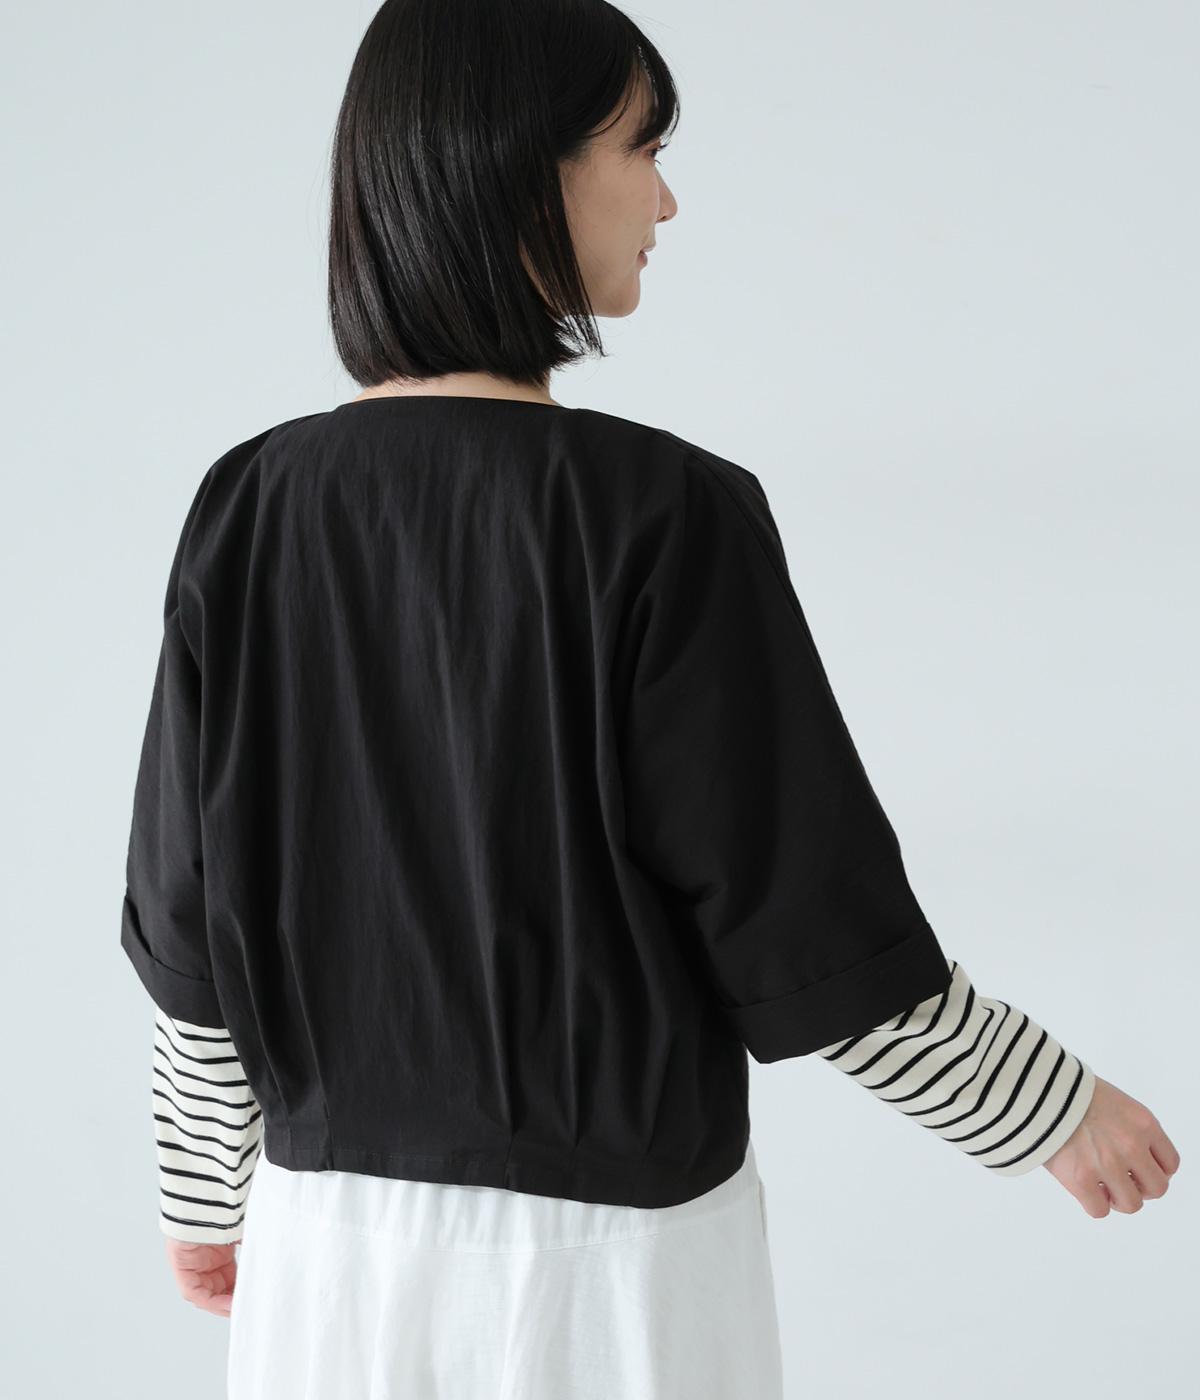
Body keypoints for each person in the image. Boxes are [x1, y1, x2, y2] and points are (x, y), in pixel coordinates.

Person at [121, 2, 1180, 1395]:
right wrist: (1051, 1110)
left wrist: (204, 1197)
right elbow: (804, 926)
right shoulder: (665, 513)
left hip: (326, 1263)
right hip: (606, 1281)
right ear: (524, 170)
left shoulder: (248, 507)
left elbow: (191, 932)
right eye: (641, 148)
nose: (666, 201)